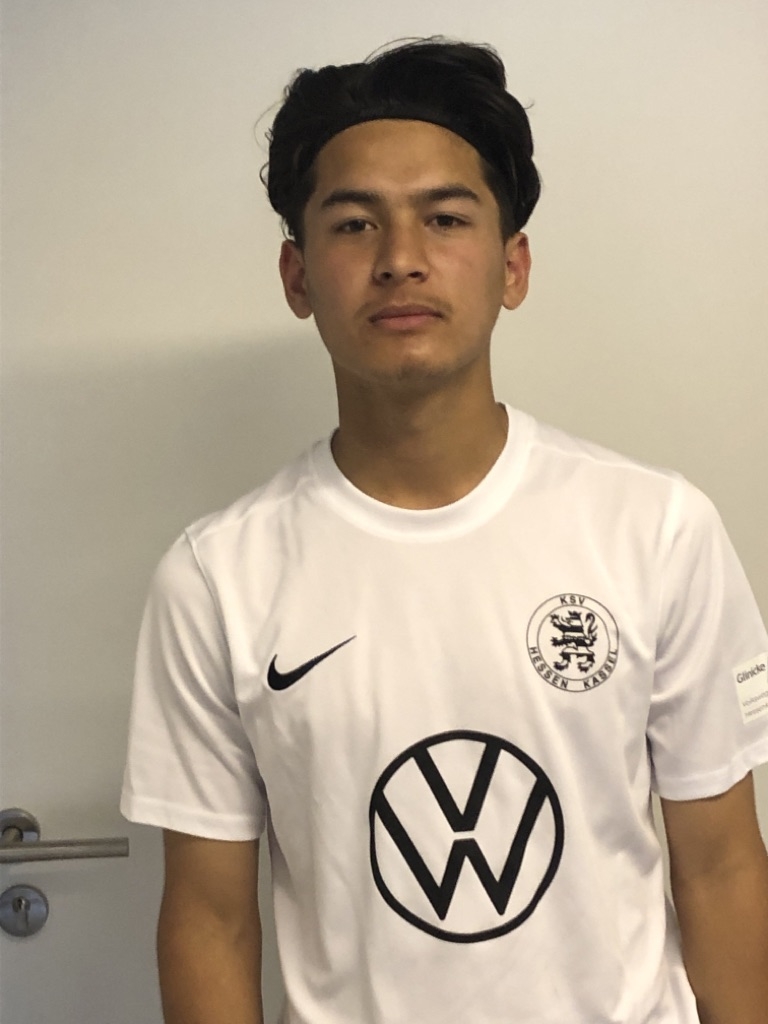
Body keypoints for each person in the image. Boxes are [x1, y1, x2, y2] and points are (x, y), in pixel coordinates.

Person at [121, 37, 768, 1024]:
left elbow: (721, 866)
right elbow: (210, 920)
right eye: (354, 224)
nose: (401, 259)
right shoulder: (217, 578)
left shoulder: (657, 528)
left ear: (513, 266)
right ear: (297, 276)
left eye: (446, 218)